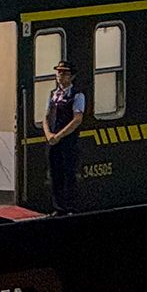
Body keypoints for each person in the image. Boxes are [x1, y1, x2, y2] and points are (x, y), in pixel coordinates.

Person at [41, 61, 85, 215]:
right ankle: (58, 207)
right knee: (55, 174)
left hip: (68, 141)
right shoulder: (53, 94)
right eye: (59, 72)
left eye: (65, 73)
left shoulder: (77, 95)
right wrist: (48, 134)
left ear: (72, 77)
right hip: (53, 141)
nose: (60, 76)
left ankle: (71, 207)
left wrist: (59, 135)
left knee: (69, 174)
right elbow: (46, 117)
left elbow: (77, 119)